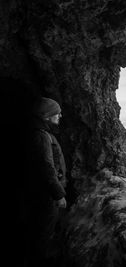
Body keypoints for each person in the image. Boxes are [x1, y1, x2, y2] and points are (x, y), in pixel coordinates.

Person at [26, 97, 67, 266]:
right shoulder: (42, 136)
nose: (60, 116)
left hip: (40, 191)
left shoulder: (36, 132)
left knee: (40, 229)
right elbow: (46, 166)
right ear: (47, 116)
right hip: (46, 195)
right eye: (57, 113)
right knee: (44, 231)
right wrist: (58, 194)